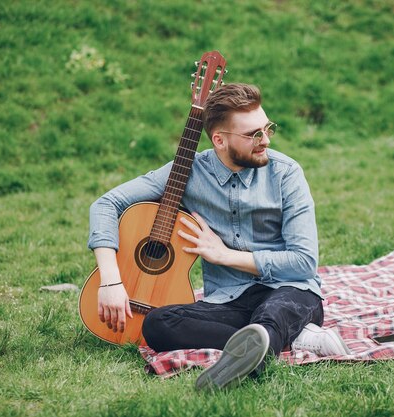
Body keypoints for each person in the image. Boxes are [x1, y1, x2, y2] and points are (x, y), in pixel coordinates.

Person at [88, 83, 350, 390]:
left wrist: (224, 255)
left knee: (274, 310)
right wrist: (110, 281)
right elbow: (106, 204)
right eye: (254, 134)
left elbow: (303, 262)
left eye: (267, 129)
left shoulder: (286, 174)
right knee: (158, 324)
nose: (265, 140)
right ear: (219, 140)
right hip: (229, 300)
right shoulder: (188, 172)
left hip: (289, 288)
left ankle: (261, 342)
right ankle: (286, 338)